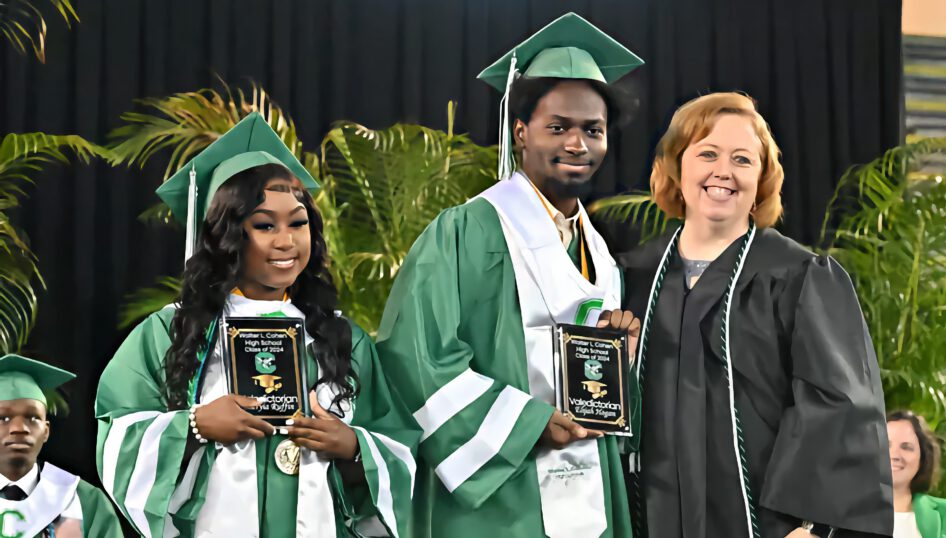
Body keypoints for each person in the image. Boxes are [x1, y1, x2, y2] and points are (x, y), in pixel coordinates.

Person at [374, 12, 643, 538]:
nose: (577, 144)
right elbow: (415, 357)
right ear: (520, 132)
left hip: (587, 476)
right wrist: (527, 424)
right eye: (558, 127)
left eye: (593, 130)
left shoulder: (602, 255)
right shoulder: (467, 231)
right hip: (497, 489)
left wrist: (620, 356)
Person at [94, 112, 418, 538]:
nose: (286, 241)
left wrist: (354, 447)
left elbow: (399, 444)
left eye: (298, 223)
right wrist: (194, 426)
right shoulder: (169, 331)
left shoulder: (340, 337)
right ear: (225, 236)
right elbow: (117, 435)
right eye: (265, 225)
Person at [616, 92, 893, 537]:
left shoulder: (799, 276)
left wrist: (813, 525)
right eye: (707, 153)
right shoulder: (633, 276)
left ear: (762, 178)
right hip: (652, 513)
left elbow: (840, 407)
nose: (723, 171)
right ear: (676, 166)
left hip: (769, 525)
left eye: (742, 160)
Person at [0, 354, 122, 538]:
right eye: (3, 418)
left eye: (33, 418)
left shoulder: (85, 500)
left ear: (46, 431)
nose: (19, 428)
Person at [888, 410, 946, 538]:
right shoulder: (850, 514)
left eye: (906, 447)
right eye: (886, 445)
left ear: (923, 458)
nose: (894, 455)